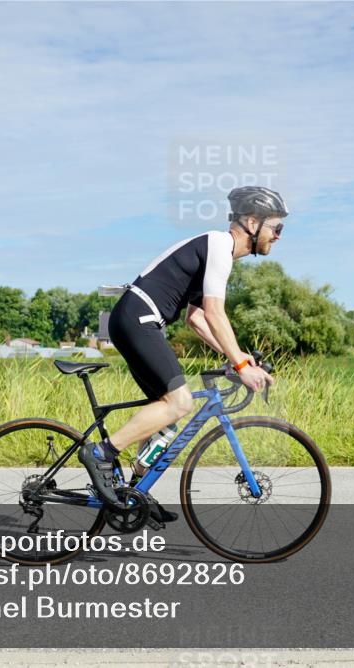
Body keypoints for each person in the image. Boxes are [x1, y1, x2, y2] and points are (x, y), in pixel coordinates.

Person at [78, 186, 287, 514]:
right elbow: (216, 314)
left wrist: (238, 358)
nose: (278, 237)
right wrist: (243, 367)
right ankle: (102, 453)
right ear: (251, 222)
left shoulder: (216, 251)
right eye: (277, 228)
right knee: (180, 402)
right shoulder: (220, 244)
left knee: (165, 420)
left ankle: (134, 496)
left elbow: (198, 319)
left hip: (137, 319)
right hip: (138, 318)